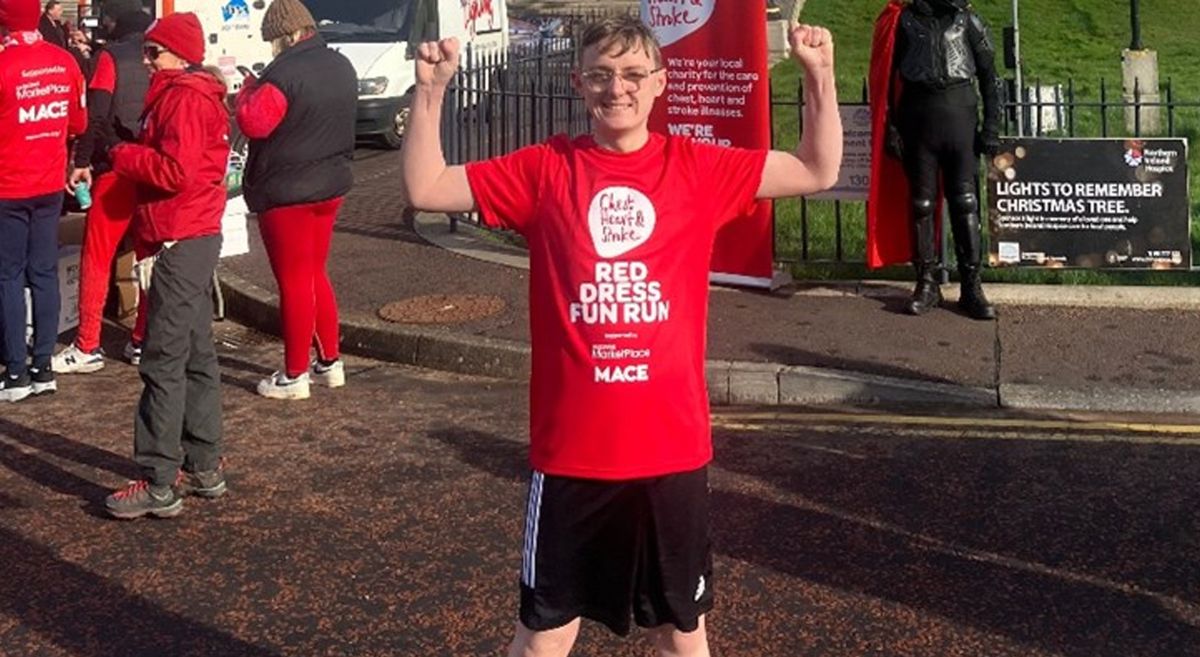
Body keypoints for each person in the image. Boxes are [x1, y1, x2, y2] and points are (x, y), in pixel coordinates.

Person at [400, 16, 841, 657]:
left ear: (660, 83)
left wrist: (820, 76)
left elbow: (817, 169)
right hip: (574, 451)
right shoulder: (544, 169)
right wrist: (432, 91)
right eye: (602, 75)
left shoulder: (697, 166)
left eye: (634, 74)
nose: (618, 89)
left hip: (671, 449)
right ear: (579, 84)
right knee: (547, 628)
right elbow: (426, 187)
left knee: (681, 628)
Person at [103, 11, 231, 519]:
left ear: (177, 54)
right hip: (194, 232)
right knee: (197, 353)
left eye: (154, 52)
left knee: (164, 358)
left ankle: (159, 478)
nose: (147, 60)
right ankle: (203, 464)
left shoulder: (182, 98)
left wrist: (126, 156)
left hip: (181, 234)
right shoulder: (195, 94)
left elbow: (174, 171)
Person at [235, 0, 356, 400]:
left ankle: (294, 374)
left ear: (284, 36)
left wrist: (246, 91)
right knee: (315, 272)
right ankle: (330, 362)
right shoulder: (341, 65)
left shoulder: (283, 74)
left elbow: (254, 122)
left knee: (293, 282)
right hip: (331, 184)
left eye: (272, 40)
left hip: (287, 191)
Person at [867, 0, 1001, 319]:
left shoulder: (968, 20)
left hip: (960, 116)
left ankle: (971, 285)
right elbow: (885, 79)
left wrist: (992, 126)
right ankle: (926, 282)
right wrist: (889, 129)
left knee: (965, 201)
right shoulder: (904, 22)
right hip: (917, 118)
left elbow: (990, 76)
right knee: (921, 204)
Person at [53, 0, 152, 374]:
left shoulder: (109, 57)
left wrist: (81, 161)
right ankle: (141, 338)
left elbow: (96, 113)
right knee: (148, 256)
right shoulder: (159, 55)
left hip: (116, 168)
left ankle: (88, 343)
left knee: (96, 256)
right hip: (152, 168)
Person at [0, 0, 87, 402]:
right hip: (49, 184)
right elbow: (79, 123)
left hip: (8, 187)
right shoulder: (63, 61)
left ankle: (15, 373)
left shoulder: (3, 65)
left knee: (9, 277)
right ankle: (43, 368)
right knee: (44, 273)